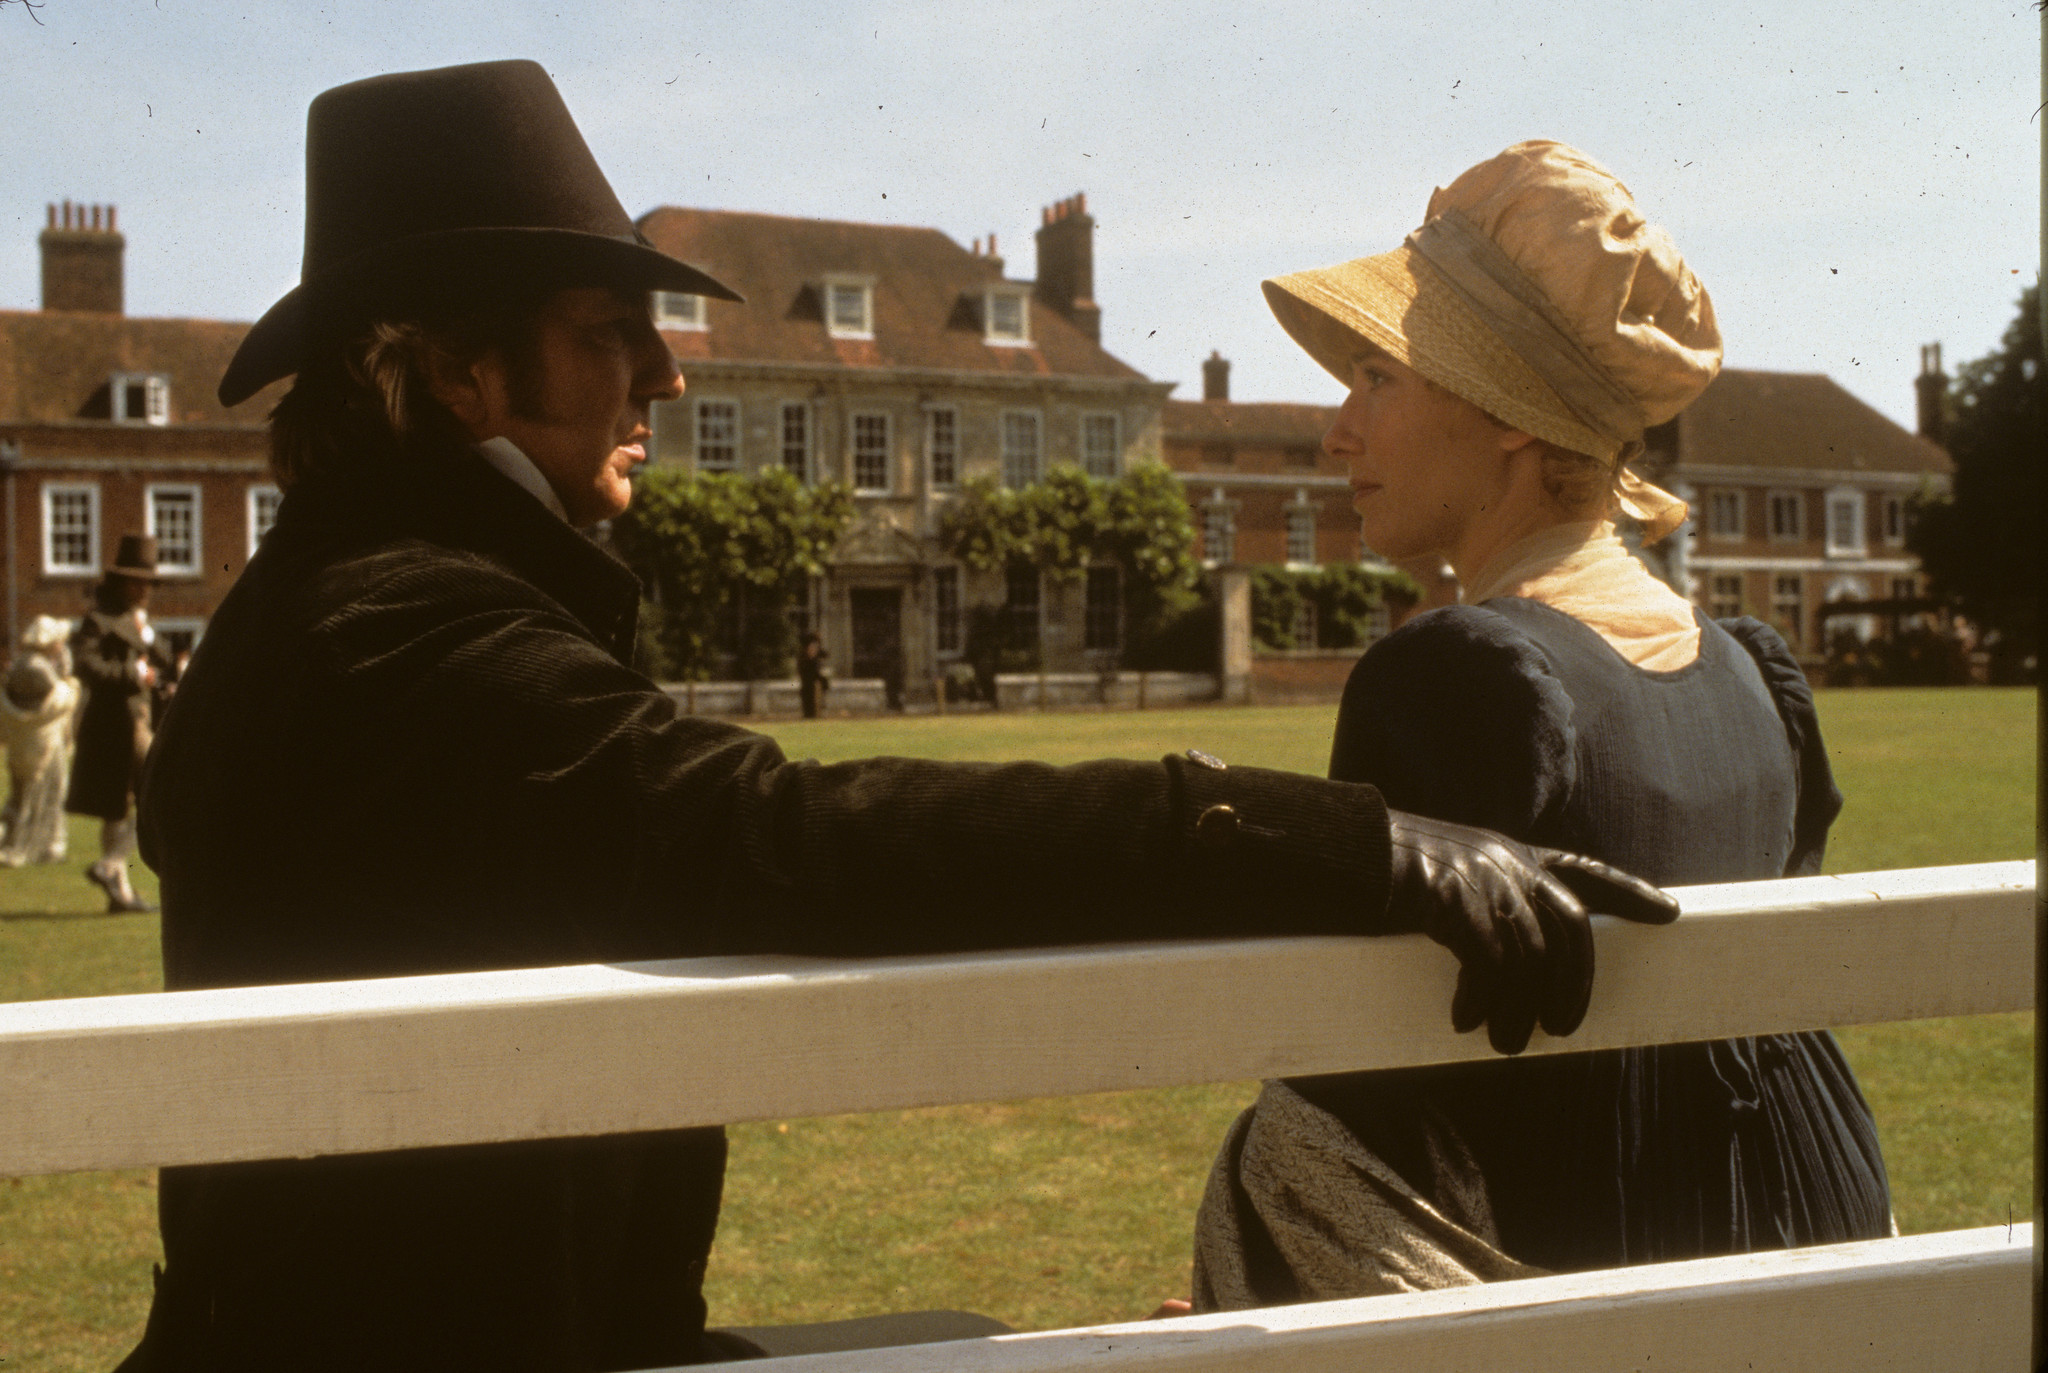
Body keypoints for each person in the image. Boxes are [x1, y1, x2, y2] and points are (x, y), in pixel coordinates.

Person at [123, 68, 1676, 1370]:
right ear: (461, 375)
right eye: (610, 330)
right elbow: (783, 835)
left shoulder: (348, 599)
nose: (665, 374)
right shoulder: (403, 626)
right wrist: (1322, 833)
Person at [1189, 142, 1893, 1311]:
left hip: (1588, 1290)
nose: (1335, 435)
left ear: (1506, 416)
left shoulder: (1462, 674)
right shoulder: (1755, 678)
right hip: (1808, 1230)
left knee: (1269, 1167)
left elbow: (1361, 1082)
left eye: (1375, 378)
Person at [67, 535, 173, 912]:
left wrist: (149, 642)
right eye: (137, 582)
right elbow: (83, 664)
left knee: (127, 802)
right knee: (142, 795)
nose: (144, 589)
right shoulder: (99, 619)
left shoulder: (136, 620)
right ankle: (112, 868)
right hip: (115, 726)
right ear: (121, 583)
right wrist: (132, 673)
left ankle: (118, 886)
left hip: (138, 721)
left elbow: (161, 662)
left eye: (147, 582)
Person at [0, 614, 80, 867]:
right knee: (44, 793)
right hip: (42, 742)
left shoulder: (24, 665)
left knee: (28, 795)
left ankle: (42, 844)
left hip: (26, 742)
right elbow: (56, 701)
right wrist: (69, 681)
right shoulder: (36, 668)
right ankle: (39, 846)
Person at [796, 630, 829, 718]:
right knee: (807, 699)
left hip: (813, 679)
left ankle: (816, 713)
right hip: (807, 680)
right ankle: (809, 715)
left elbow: (825, 654)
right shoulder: (804, 657)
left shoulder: (817, 654)